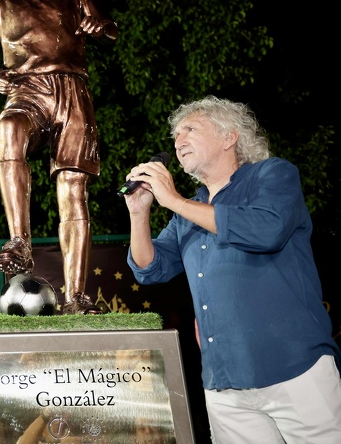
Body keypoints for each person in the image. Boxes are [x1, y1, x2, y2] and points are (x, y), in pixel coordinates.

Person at [123, 95, 341, 443]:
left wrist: (174, 201)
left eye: (190, 129)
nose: (178, 141)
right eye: (175, 135)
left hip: (294, 369)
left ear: (229, 137)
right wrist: (140, 212)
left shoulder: (274, 174)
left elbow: (264, 230)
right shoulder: (190, 209)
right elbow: (150, 269)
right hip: (223, 382)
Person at [0, 0, 118, 314]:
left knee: (73, 189)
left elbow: (110, 30)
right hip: (26, 87)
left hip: (72, 89)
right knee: (10, 126)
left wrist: (98, 26)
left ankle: (77, 296)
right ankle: (20, 239)